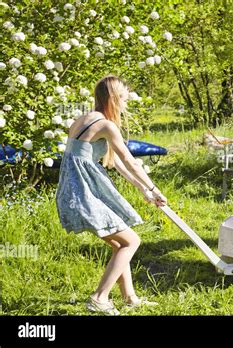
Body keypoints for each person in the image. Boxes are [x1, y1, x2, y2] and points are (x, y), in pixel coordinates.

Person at [56, 75, 167, 315]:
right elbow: (131, 162)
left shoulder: (84, 119)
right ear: (115, 99)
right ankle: (99, 297)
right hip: (82, 195)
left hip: (72, 193)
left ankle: (130, 298)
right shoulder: (106, 125)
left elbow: (117, 164)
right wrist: (156, 189)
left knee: (120, 244)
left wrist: (145, 191)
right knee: (132, 241)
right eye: (124, 99)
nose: (126, 105)